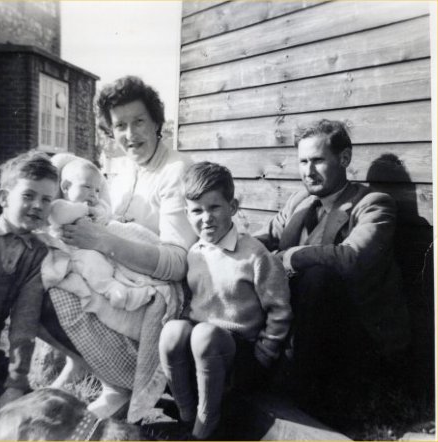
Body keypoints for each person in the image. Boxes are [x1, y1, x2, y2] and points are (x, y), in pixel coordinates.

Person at [39, 75, 198, 422]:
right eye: (120, 126)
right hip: (119, 273)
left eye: (139, 121)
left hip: (158, 291)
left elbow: (177, 263)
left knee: (54, 291)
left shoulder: (176, 170)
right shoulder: (122, 168)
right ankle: (85, 362)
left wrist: (100, 239)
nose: (130, 134)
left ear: (157, 122)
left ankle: (119, 382)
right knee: (36, 274)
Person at [255, 119, 411, 408]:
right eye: (303, 162)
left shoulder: (374, 204)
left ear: (344, 158)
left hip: (357, 338)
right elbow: (262, 240)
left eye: (317, 160)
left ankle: (305, 397)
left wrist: (291, 256)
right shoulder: (300, 200)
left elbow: (352, 258)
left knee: (318, 276)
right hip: (296, 329)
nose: (308, 171)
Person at [159, 162, 292, 440]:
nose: (206, 218)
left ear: (233, 207)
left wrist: (264, 355)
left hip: (241, 355)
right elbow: (190, 300)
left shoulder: (254, 254)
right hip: (200, 352)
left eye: (214, 207)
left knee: (205, 335)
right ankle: (186, 414)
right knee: (172, 331)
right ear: (187, 213)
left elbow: (279, 310)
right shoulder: (195, 253)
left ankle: (207, 420)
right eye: (197, 211)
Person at [41, 156, 175, 338]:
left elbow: (106, 214)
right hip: (76, 251)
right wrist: (86, 210)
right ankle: (110, 288)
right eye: (87, 187)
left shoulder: (95, 204)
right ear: (65, 187)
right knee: (93, 264)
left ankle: (143, 273)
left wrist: (104, 214)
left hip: (101, 245)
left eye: (97, 190)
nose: (93, 195)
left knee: (130, 236)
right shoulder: (60, 205)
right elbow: (60, 215)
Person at [0, 151, 59, 419]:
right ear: (4, 198)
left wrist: (15, 383)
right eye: (28, 195)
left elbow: (24, 323)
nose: (37, 205)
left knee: (24, 413)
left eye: (46, 199)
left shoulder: (37, 254)